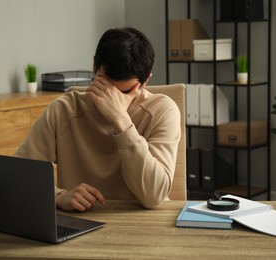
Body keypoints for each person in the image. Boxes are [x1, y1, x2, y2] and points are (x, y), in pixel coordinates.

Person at [15, 27, 181, 212]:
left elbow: (153, 197)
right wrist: (58, 196)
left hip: (145, 224)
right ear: (94, 66)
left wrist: (121, 120)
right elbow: (19, 176)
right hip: (82, 221)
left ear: (145, 82)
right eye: (104, 86)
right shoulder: (63, 110)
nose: (111, 98)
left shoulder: (163, 110)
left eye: (124, 92)